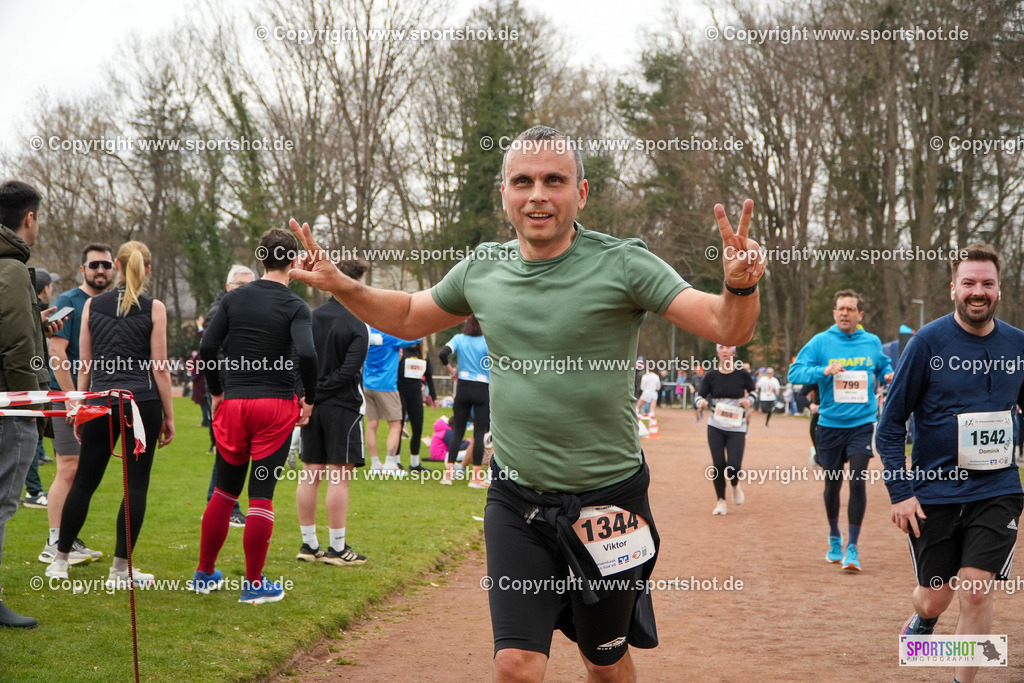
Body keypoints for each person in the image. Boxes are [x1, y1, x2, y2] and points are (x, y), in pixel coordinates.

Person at [286, 124, 764, 681]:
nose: (538, 194)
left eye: (554, 180)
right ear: (505, 194)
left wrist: (740, 286)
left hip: (609, 504)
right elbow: (411, 315)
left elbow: (727, 325)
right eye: (523, 181)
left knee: (604, 660)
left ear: (580, 193)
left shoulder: (625, 264)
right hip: (517, 501)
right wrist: (344, 285)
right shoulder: (482, 269)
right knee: (515, 664)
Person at [876, 244, 1022, 683]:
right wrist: (900, 493)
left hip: (996, 489)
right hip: (934, 492)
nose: (978, 291)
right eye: (969, 283)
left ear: (999, 289)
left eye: (987, 283)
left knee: (975, 591)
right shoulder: (927, 343)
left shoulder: (1018, 345)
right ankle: (923, 619)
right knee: (934, 598)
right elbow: (890, 425)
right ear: (953, 289)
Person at [194, 228, 317, 604]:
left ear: (261, 259)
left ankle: (204, 573)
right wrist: (309, 399)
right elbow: (308, 354)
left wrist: (217, 391)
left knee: (224, 491)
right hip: (274, 407)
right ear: (294, 261)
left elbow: (208, 346)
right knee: (261, 494)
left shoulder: (235, 298)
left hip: (235, 403)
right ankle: (253, 583)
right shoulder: (296, 305)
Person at [44, 241, 175, 590]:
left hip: (101, 400)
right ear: (148, 269)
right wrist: (169, 415)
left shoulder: (92, 304)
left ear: (116, 265)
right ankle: (120, 569)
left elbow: (84, 363)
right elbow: (160, 368)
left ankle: (60, 560)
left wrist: (80, 407)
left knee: (84, 481)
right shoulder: (154, 307)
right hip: (141, 402)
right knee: (136, 485)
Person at [788, 290, 893, 572]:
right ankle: (835, 537)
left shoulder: (871, 342)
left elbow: (883, 365)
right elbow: (794, 373)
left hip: (862, 423)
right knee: (832, 484)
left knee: (857, 481)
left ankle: (853, 547)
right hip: (830, 426)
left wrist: (887, 374)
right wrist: (823, 371)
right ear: (834, 313)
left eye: (850, 309)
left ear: (860, 315)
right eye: (840, 309)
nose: (845, 313)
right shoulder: (820, 341)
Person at [0, 179, 62, 628]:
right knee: (3, 503)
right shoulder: (13, 270)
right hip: (10, 405)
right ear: (30, 218)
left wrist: (35, 322)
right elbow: (18, 348)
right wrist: (32, 406)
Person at [39, 244, 113, 567]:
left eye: (106, 265)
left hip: (97, 398)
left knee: (82, 471)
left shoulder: (111, 304)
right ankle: (55, 541)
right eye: (94, 265)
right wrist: (72, 399)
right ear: (83, 269)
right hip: (68, 397)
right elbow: (56, 353)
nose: (101, 270)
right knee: (68, 467)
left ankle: (69, 539)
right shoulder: (68, 302)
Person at [296, 259, 369, 567]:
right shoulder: (358, 323)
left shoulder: (311, 317)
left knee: (311, 472)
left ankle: (309, 544)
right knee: (338, 477)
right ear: (352, 284)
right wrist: (316, 395)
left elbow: (298, 361)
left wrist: (307, 397)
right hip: (343, 407)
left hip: (313, 406)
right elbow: (348, 372)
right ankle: (337, 548)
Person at [203, 264, 256, 528]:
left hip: (238, 388)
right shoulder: (219, 312)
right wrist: (225, 386)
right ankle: (225, 506)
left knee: (232, 450)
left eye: (250, 286)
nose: (245, 291)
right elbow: (213, 352)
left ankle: (222, 505)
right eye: (240, 285)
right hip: (224, 389)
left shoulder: (243, 311)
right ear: (228, 287)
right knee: (228, 450)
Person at [695, 344, 755, 515]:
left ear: (734, 352)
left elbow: (753, 393)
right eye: (721, 347)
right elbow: (699, 396)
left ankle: (735, 484)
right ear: (717, 351)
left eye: (728, 347)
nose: (725, 351)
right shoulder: (711, 376)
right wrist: (700, 402)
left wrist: (749, 400)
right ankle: (721, 501)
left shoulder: (742, 374)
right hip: (716, 426)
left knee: (733, 466)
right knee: (718, 464)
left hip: (737, 427)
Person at [21, 268, 59, 509]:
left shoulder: (32, 310)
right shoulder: (26, 308)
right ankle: (34, 491)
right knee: (31, 439)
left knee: (32, 440)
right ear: (44, 289)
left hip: (35, 383)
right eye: (50, 285)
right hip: (31, 385)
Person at [438, 315, 490, 488]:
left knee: (458, 432)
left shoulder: (459, 339)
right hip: (482, 387)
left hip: (463, 387)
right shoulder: (487, 341)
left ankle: (448, 475)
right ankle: (475, 478)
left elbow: (443, 353)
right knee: (479, 434)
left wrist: (452, 371)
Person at [363, 327, 420, 474]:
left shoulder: (368, 335)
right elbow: (415, 338)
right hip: (386, 386)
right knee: (395, 425)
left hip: (368, 384)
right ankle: (389, 463)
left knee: (371, 425)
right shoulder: (390, 337)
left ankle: (375, 464)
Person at [396, 341, 437, 473]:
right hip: (401, 390)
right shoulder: (401, 349)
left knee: (417, 428)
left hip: (415, 393)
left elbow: (429, 376)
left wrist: (433, 396)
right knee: (398, 428)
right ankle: (396, 461)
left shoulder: (423, 353)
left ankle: (414, 464)